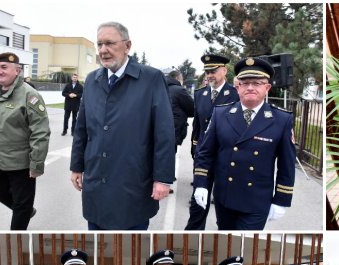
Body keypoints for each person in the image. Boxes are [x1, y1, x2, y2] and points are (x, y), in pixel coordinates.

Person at [71, 21, 175, 230]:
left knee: (130, 238)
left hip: (132, 181)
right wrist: (76, 166)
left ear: (127, 46)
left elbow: (163, 132)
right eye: (99, 44)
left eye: (109, 43)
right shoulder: (92, 80)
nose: (103, 50)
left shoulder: (151, 79)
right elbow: (81, 128)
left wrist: (162, 179)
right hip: (96, 180)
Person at [192, 57, 296, 230]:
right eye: (245, 83)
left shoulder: (281, 120)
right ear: (237, 87)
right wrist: (201, 184)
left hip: (257, 200)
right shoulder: (221, 114)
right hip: (225, 196)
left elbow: (287, 165)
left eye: (256, 83)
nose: (250, 87)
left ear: (267, 87)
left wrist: (282, 199)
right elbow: (205, 153)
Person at [0, 52, 50, 230]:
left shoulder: (29, 95)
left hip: (21, 163)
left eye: (4, 67)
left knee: (21, 204)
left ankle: (19, 223)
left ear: (17, 70)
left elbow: (40, 132)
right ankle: (24, 210)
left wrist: (37, 163)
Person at [185, 53, 239, 231]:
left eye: (213, 71)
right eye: (207, 71)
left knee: (224, 203)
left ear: (224, 70)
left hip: (226, 156)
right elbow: (198, 125)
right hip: (203, 156)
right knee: (198, 202)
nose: (209, 75)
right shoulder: (200, 94)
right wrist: (195, 147)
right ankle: (193, 234)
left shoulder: (235, 95)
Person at [165, 69, 195, 154]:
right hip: (173, 131)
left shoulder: (160, 88)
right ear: (177, 78)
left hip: (159, 131)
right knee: (169, 160)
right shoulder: (179, 90)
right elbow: (192, 109)